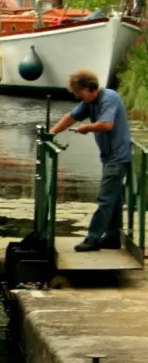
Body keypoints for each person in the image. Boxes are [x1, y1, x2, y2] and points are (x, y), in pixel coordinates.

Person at [50, 69, 132, 252]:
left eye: (78, 92)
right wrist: (50, 134)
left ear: (89, 88)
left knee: (105, 198)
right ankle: (112, 237)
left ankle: (93, 238)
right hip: (109, 156)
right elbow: (70, 118)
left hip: (118, 157)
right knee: (115, 199)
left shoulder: (108, 98)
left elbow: (106, 124)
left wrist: (86, 128)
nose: (77, 96)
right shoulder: (89, 102)